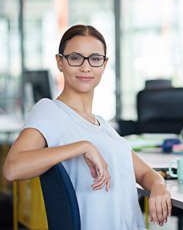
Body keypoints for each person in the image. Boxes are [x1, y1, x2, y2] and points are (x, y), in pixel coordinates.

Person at [3, 24, 172, 229]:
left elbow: (146, 174)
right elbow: (13, 169)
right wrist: (83, 146)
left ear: (104, 64)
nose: (86, 67)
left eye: (95, 59)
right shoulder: (50, 111)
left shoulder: (102, 125)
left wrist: (159, 186)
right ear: (60, 62)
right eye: (75, 58)